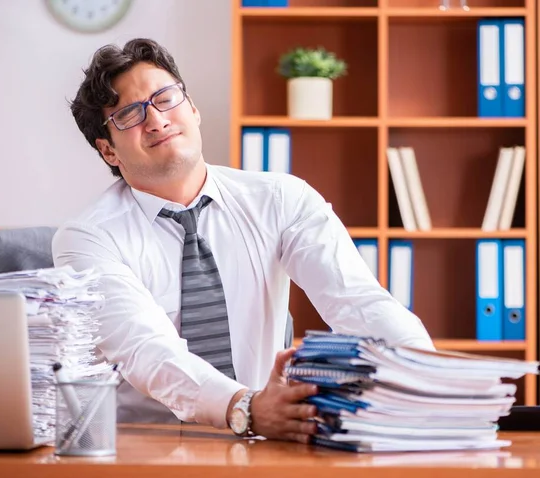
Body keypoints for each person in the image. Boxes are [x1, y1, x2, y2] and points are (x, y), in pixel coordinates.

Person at [53, 38, 434, 444]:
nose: (157, 119)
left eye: (165, 97)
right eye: (130, 114)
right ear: (108, 151)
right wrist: (244, 407)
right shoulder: (87, 238)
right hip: (148, 449)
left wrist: (434, 382)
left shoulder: (281, 199)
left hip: (261, 442)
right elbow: (146, 350)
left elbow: (358, 301)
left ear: (193, 108)